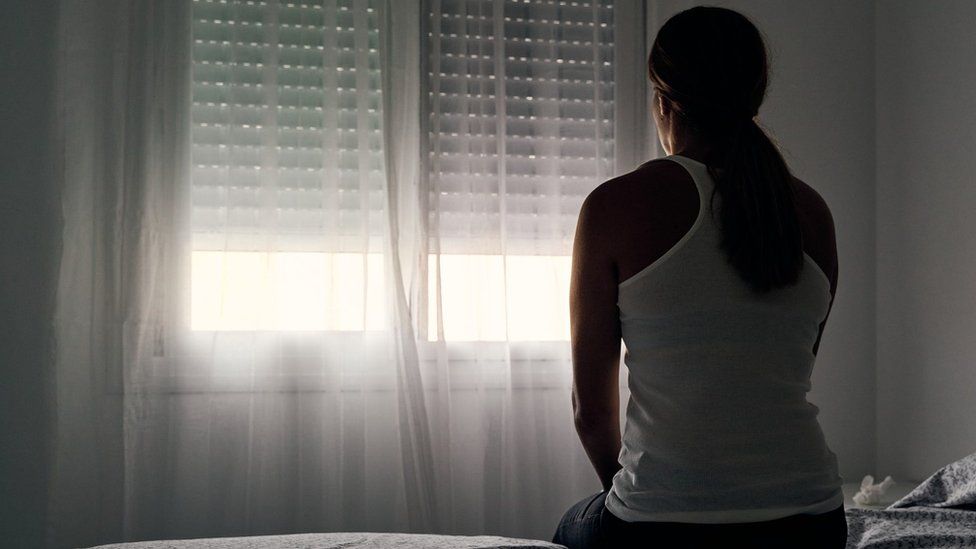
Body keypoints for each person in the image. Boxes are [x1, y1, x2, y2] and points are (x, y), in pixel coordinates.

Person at [552, 6, 847, 548]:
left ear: (663, 100)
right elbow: (778, 374)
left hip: (663, 527)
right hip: (814, 520)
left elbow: (591, 413)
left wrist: (641, 498)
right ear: (753, 96)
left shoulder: (614, 206)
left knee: (568, 529)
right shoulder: (811, 211)